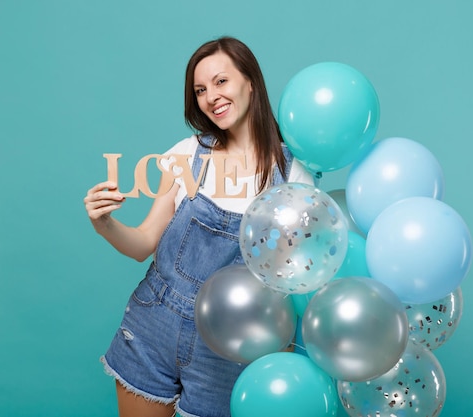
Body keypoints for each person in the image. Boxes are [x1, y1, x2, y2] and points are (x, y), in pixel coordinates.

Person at [83, 36, 315, 417]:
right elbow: (143, 244)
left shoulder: (293, 178)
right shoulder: (186, 154)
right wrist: (104, 223)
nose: (211, 97)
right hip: (154, 324)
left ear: (250, 82)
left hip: (231, 349)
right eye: (200, 90)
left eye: (221, 82)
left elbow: (294, 282)